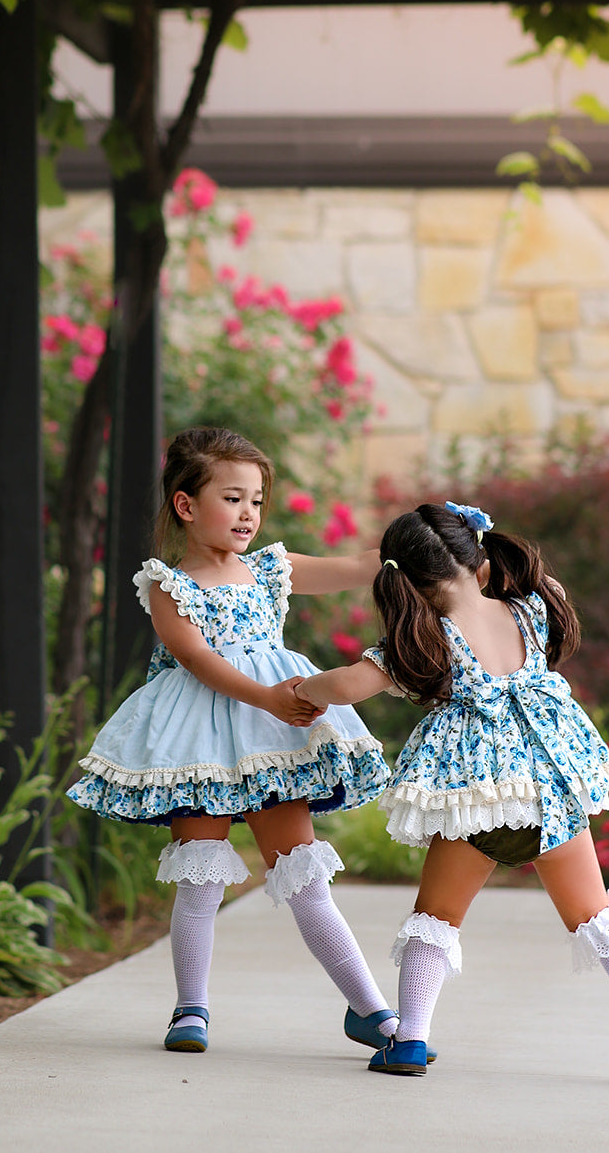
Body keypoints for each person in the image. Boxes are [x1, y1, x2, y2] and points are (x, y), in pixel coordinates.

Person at [292, 500, 609, 1077]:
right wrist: (495, 565)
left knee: (436, 917)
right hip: (550, 790)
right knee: (594, 910)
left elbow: (349, 684)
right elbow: (549, 582)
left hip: (477, 800)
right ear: (480, 566)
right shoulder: (531, 609)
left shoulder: (421, 638)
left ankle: (410, 1040)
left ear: (402, 584)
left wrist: (306, 688)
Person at [67, 426, 399, 1057]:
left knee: (303, 874)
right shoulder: (168, 583)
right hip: (200, 737)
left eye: (255, 499)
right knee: (200, 877)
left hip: (273, 739)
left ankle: (370, 1009)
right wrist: (269, 696)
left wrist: (424, 536)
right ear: (186, 506)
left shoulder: (273, 569)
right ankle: (190, 1008)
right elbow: (195, 658)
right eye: (232, 498)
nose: (248, 513)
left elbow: (362, 567)